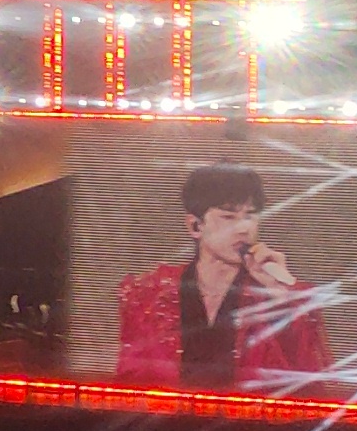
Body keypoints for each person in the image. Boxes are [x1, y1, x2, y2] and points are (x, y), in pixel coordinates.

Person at [116, 162, 332, 389]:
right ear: (195, 226)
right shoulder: (149, 294)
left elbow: (308, 387)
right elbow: (130, 384)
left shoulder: (280, 296)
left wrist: (281, 297)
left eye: (250, 216)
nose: (244, 228)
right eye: (229, 217)